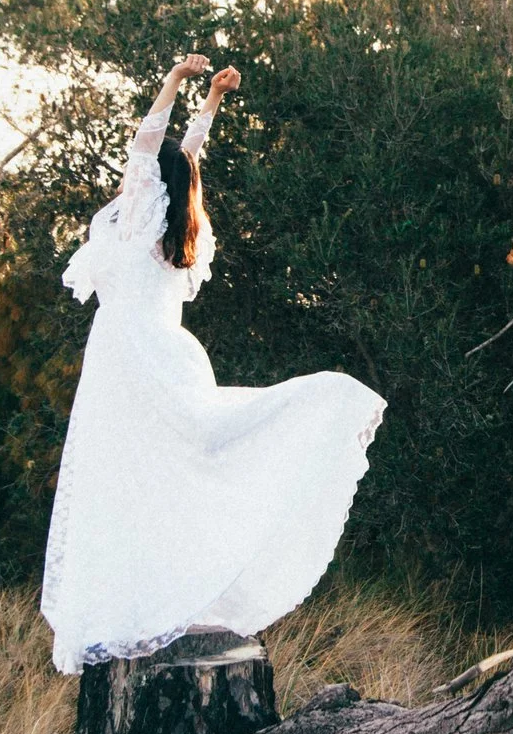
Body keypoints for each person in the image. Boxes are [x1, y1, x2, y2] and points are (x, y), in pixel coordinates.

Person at [41, 53, 384, 674]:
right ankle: (155, 597)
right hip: (159, 354)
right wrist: (211, 102)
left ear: (148, 185)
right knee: (156, 478)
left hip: (135, 361)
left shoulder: (136, 222)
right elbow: (184, 158)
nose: (128, 178)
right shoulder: (172, 225)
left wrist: (174, 82)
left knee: (136, 477)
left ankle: (150, 599)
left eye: (137, 176)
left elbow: (153, 150)